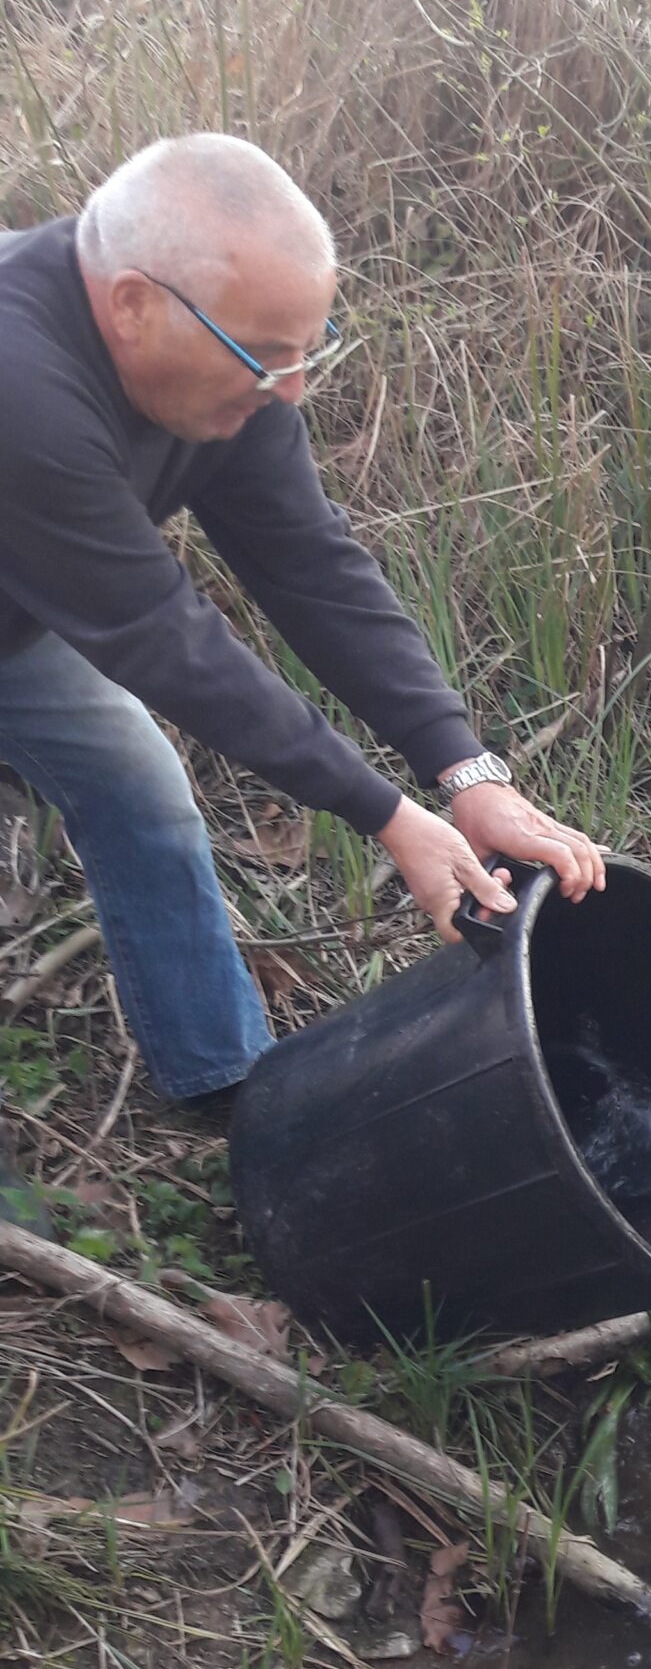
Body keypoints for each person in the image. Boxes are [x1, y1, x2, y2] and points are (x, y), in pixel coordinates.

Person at [0, 133, 605, 1215]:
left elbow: (312, 567)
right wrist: (385, 814)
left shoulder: (234, 385)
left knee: (139, 789)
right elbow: (160, 637)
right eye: (266, 352)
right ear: (133, 304)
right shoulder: (20, 385)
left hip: (20, 617)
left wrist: (466, 772)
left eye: (307, 352)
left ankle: (230, 1094)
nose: (288, 388)